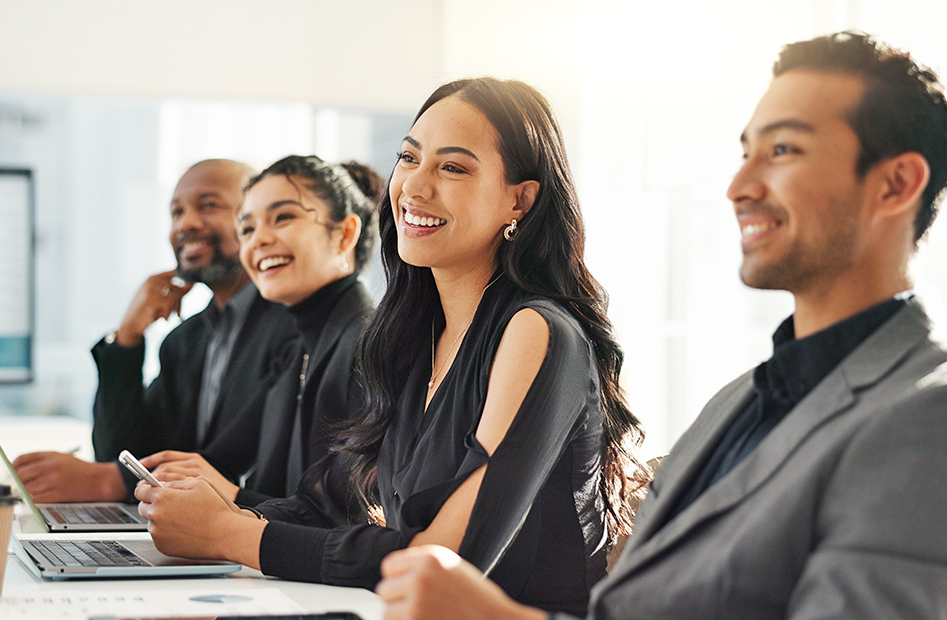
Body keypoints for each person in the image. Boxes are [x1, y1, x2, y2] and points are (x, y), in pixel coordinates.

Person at [375, 31, 947, 620]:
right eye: (745, 152)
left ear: (896, 184)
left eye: (783, 152)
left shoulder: (924, 419)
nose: (738, 187)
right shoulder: (736, 403)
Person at [135, 78, 644, 617]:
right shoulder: (410, 337)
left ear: (520, 198)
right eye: (409, 158)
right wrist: (213, 513)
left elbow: (444, 559)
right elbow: (328, 502)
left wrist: (229, 537)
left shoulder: (537, 332)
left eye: (453, 167)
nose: (414, 187)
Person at [13, 159, 297, 503]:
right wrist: (127, 337)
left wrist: (107, 481)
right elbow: (120, 452)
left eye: (208, 205)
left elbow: (236, 465)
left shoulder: (294, 326)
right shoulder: (186, 340)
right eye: (176, 212)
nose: (186, 224)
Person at [136, 155, 381, 505]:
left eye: (283, 217)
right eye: (247, 229)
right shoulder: (302, 349)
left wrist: (231, 502)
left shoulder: (368, 347)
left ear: (344, 235)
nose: (259, 240)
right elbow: (218, 463)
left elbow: (341, 521)